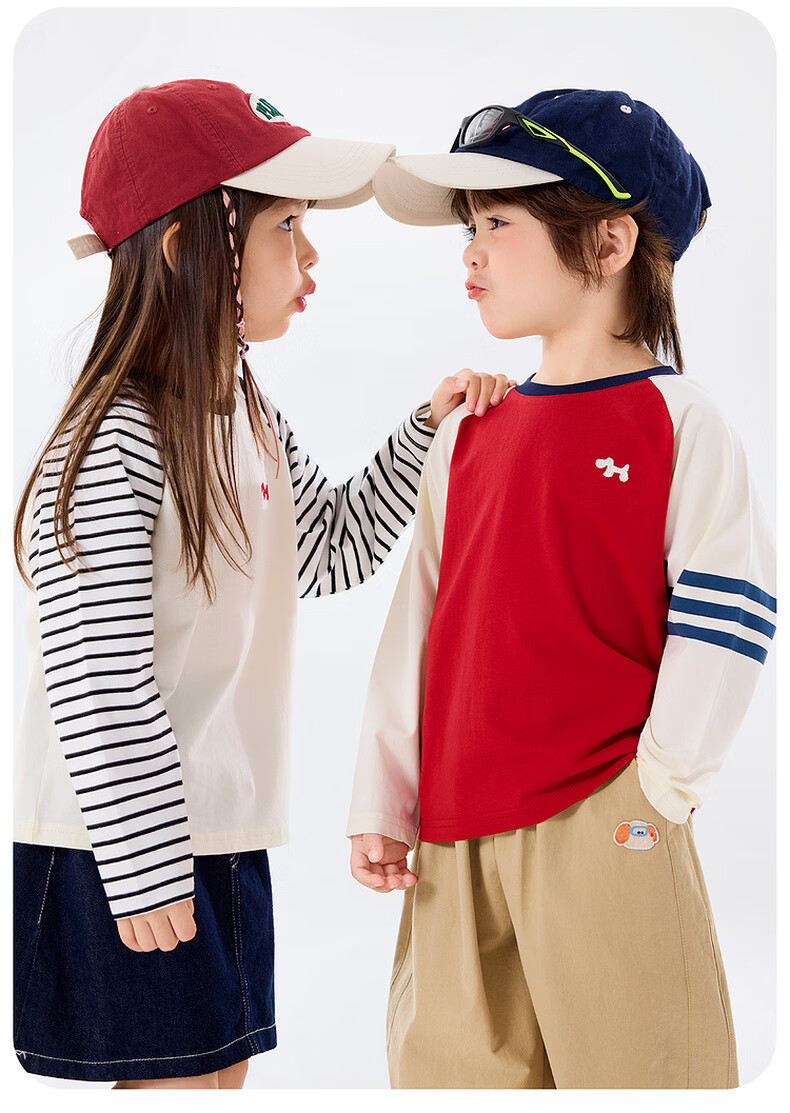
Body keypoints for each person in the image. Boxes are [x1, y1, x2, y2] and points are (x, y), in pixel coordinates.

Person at [12, 78, 512, 1090]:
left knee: (216, 1079)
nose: (311, 255)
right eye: (288, 226)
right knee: (178, 1084)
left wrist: (428, 430)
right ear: (183, 247)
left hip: (218, 822)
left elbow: (326, 547)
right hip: (120, 833)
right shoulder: (116, 435)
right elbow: (96, 670)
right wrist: (143, 862)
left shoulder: (243, 408)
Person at [347, 89, 776, 1089]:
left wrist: (656, 791)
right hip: (453, 833)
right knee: (450, 1075)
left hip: (607, 819)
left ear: (609, 242)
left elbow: (727, 613)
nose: (470, 255)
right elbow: (420, 622)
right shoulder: (467, 434)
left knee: (640, 1072)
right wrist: (383, 793)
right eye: (468, 229)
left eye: (497, 223)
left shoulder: (678, 420)